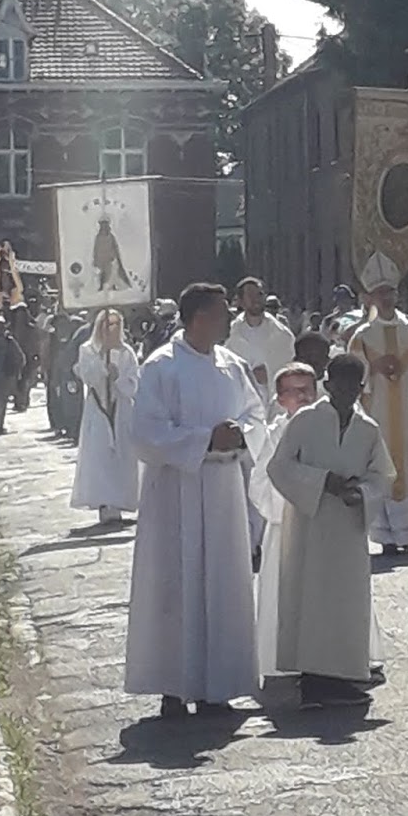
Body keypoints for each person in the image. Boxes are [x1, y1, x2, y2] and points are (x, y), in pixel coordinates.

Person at [124, 282, 266, 718]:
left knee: (222, 583)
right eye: (223, 313)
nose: (230, 320)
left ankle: (218, 686)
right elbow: (145, 433)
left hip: (223, 488)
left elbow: (256, 413)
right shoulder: (161, 367)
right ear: (200, 318)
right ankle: (173, 684)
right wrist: (204, 439)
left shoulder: (231, 365)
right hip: (176, 492)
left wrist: (239, 434)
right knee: (176, 583)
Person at [269, 353, 394, 707]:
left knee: (345, 600)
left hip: (347, 527)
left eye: (354, 386)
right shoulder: (305, 421)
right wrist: (322, 482)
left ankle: (341, 675)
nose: (346, 393)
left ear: (361, 388)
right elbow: (279, 466)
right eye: (340, 385)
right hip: (310, 523)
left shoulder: (368, 429)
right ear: (327, 385)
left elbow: (383, 475)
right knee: (310, 596)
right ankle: (312, 679)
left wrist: (361, 494)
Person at [348, 255, 408, 556]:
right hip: (377, 410)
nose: (385, 298)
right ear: (370, 297)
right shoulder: (362, 336)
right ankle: (385, 536)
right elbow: (352, 376)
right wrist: (373, 367)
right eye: (379, 292)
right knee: (380, 465)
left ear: (397, 295)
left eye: (390, 292)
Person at [249, 362, 320, 680]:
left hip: (325, 528)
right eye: (294, 392)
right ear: (280, 399)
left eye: (308, 390)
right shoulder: (276, 434)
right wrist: (291, 502)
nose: (303, 397)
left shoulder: (330, 427)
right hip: (286, 528)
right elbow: (260, 483)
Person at [71, 308, 140, 525]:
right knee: (100, 456)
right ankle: (104, 503)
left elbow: (134, 383)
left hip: (121, 410)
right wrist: (102, 366)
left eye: (115, 325)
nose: (111, 329)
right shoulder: (88, 350)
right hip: (98, 409)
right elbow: (87, 376)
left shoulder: (127, 352)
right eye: (107, 325)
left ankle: (120, 503)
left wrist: (118, 378)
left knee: (122, 457)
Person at [227, 276, 296, 406]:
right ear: (241, 301)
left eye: (259, 294)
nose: (256, 300)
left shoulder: (282, 334)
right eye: (250, 295)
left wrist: (268, 374)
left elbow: (289, 368)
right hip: (240, 403)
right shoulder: (230, 335)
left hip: (274, 403)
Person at [8, 302, 39, 412]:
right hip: (14, 359)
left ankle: (23, 401)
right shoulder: (11, 329)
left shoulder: (32, 329)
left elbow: (37, 344)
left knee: (25, 381)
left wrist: (37, 357)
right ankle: (19, 401)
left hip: (29, 358)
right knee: (15, 382)